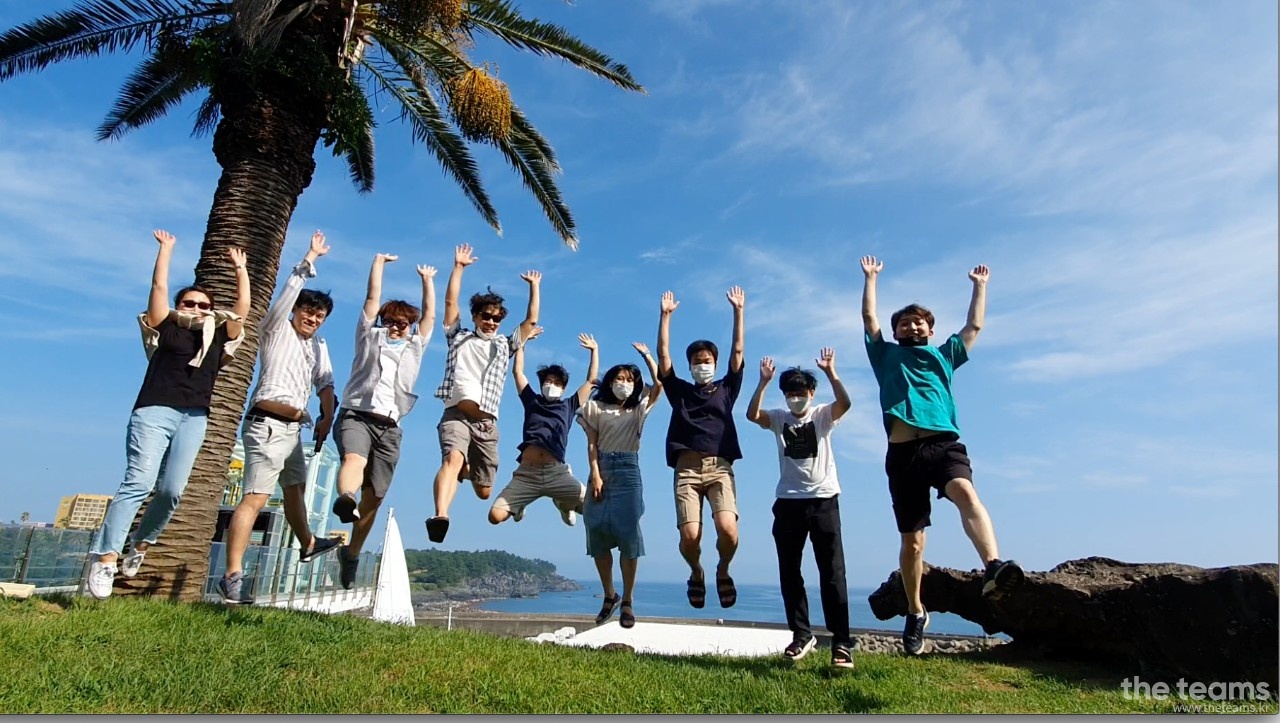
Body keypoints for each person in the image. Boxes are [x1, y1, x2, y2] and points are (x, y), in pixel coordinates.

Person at [860, 255, 1024, 655]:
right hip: (902, 455)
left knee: (966, 493)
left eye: (919, 322)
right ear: (897, 331)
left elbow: (974, 326)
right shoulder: (885, 357)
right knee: (913, 543)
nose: (911, 325)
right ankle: (916, 611)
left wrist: (979, 286)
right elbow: (869, 319)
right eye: (903, 322)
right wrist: (871, 279)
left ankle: (993, 566)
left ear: (930, 329)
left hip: (943, 445)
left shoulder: (944, 355)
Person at [86, 230, 249, 599]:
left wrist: (241, 270)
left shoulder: (220, 335)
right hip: (155, 411)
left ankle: (142, 544)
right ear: (180, 306)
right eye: (189, 303)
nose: (197, 309)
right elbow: (158, 288)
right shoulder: (167, 328)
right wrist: (166, 250)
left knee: (172, 490)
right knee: (138, 483)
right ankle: (106, 558)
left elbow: (242, 310)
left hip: (194, 416)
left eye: (204, 305)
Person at [219, 231, 340, 603]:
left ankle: (307, 542)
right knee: (254, 499)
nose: (313, 319)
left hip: (294, 432)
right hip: (267, 425)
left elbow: (326, 383)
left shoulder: (317, 346)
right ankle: (232, 576)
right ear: (296, 311)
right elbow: (287, 292)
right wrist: (310, 259)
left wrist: (326, 416)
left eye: (319, 315)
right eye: (308, 311)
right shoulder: (277, 330)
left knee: (294, 492)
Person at [330, 253, 436, 588]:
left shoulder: (415, 346)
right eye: (390, 321)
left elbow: (431, 315)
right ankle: (345, 497)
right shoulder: (368, 337)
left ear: (410, 327)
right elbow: (371, 299)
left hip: (391, 427)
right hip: (356, 415)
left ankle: (352, 552)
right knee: (353, 458)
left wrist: (427, 280)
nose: (395, 327)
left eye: (402, 323)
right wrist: (377, 264)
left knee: (374, 498)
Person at [745, 349, 854, 669]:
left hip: (824, 500)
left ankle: (842, 642)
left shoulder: (822, 414)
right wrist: (763, 382)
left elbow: (845, 404)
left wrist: (832, 373)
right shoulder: (779, 418)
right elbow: (752, 415)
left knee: (832, 574)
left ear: (811, 393)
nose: (795, 399)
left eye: (801, 393)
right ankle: (801, 634)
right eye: (790, 394)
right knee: (790, 573)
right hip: (788, 502)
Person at [426, 243, 539, 543]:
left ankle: (467, 469)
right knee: (451, 459)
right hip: (456, 414)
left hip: (486, 424)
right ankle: (440, 515)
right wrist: (459, 267)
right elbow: (450, 303)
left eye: (496, 317)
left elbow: (529, 323)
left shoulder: (504, 345)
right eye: (485, 315)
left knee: (483, 491)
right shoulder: (458, 337)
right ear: (475, 316)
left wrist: (534, 287)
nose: (491, 321)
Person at [656, 287, 746, 610]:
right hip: (687, 470)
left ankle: (723, 569)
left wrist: (738, 311)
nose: (702, 365)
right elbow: (663, 359)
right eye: (696, 361)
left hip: (719, 468)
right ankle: (697, 571)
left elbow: (738, 353)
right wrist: (665, 317)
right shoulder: (679, 392)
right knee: (690, 537)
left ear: (714, 363)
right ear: (690, 365)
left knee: (728, 530)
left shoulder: (725, 389)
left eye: (707, 361)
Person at [578, 342, 664, 629]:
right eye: (619, 379)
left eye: (629, 380)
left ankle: (627, 600)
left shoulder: (639, 408)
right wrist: (596, 474)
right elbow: (591, 443)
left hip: (629, 469)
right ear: (610, 381)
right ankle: (609, 595)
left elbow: (659, 385)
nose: (623, 384)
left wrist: (647, 356)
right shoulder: (596, 407)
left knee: (628, 535)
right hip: (600, 468)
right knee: (597, 531)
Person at [488, 333, 598, 528]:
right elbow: (518, 373)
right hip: (527, 474)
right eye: (548, 381)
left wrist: (594, 351)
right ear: (541, 384)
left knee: (595, 508)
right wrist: (522, 344)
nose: (551, 385)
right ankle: (519, 505)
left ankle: (564, 505)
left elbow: (590, 381)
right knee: (495, 516)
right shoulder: (532, 401)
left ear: (563, 388)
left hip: (556, 472)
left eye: (557, 383)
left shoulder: (569, 405)